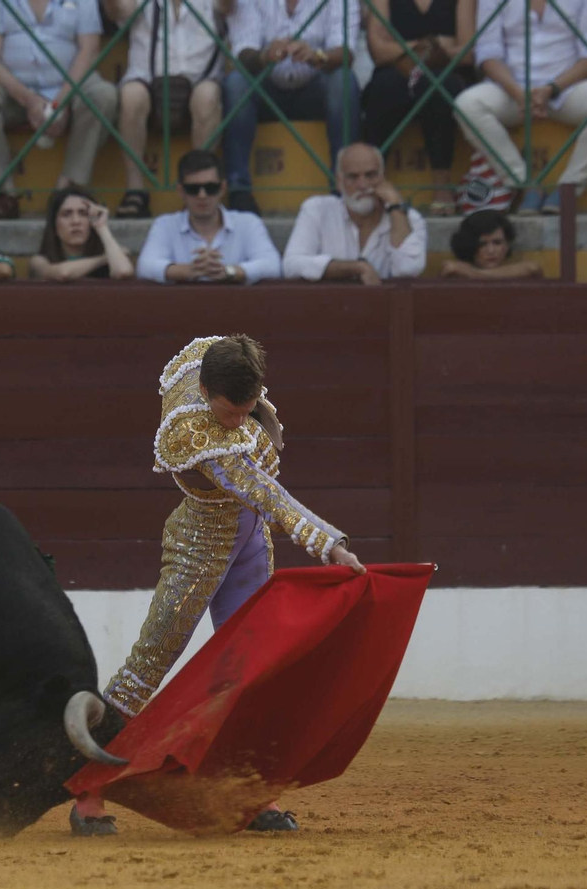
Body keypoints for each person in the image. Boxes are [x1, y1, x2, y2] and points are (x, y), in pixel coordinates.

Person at [73, 334, 366, 838]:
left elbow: (229, 374)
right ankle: (88, 791)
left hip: (250, 544)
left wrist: (259, 410)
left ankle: (249, 791)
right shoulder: (194, 435)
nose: (237, 420)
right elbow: (267, 494)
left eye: (246, 408)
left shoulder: (212, 366)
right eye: (230, 411)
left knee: (252, 668)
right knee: (150, 663)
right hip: (200, 547)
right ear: (207, 391)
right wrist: (329, 544)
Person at [452, 0, 587, 215]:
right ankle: (525, 184)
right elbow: (488, 54)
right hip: (512, 89)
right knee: (466, 105)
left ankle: (569, 188)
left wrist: (552, 88)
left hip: (567, 87)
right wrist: (516, 91)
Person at [0, 0, 119, 219]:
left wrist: (60, 101)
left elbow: (89, 50)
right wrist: (29, 99)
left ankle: (69, 188)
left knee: (104, 94)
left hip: (69, 87)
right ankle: (4, 191)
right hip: (12, 91)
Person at [222, 0, 358, 214]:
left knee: (344, 80)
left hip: (316, 86)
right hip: (266, 87)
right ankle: (239, 191)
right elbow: (243, 51)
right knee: (236, 83)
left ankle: (345, 187)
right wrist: (264, 56)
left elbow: (346, 52)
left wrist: (317, 56)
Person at [103, 0, 231, 219]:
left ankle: (198, 186)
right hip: (148, 80)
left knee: (208, 96)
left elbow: (228, 6)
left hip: (201, 80)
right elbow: (117, 11)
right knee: (131, 96)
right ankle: (135, 190)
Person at [362, 0, 475, 215]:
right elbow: (378, 50)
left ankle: (442, 185)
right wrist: (428, 47)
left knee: (439, 85)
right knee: (382, 88)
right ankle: (374, 181)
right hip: (399, 71)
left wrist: (400, 47)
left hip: (448, 71)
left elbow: (467, 52)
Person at [282, 142, 427, 283]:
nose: (363, 185)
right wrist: (357, 268)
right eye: (353, 177)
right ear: (339, 182)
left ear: (383, 179)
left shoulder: (410, 219)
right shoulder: (317, 209)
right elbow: (291, 265)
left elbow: (409, 269)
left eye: (370, 175)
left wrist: (395, 206)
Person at [137, 149, 281, 284]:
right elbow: (144, 266)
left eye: (210, 188)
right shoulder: (165, 225)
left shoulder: (248, 223)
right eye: (193, 189)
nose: (202, 195)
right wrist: (187, 271)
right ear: (181, 191)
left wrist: (228, 271)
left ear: (222, 188)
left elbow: (273, 265)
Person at [30, 186, 134, 281]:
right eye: (66, 214)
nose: (76, 221)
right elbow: (63, 273)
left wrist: (101, 227)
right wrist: (104, 258)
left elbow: (123, 271)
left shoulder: (114, 256)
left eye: (83, 213)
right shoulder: (39, 261)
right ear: (54, 225)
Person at [440, 208, 543, 278]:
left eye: (497, 243)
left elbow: (532, 268)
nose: (491, 250)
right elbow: (449, 269)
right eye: (482, 244)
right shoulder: (454, 273)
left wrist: (472, 273)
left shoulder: (462, 271)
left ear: (507, 244)